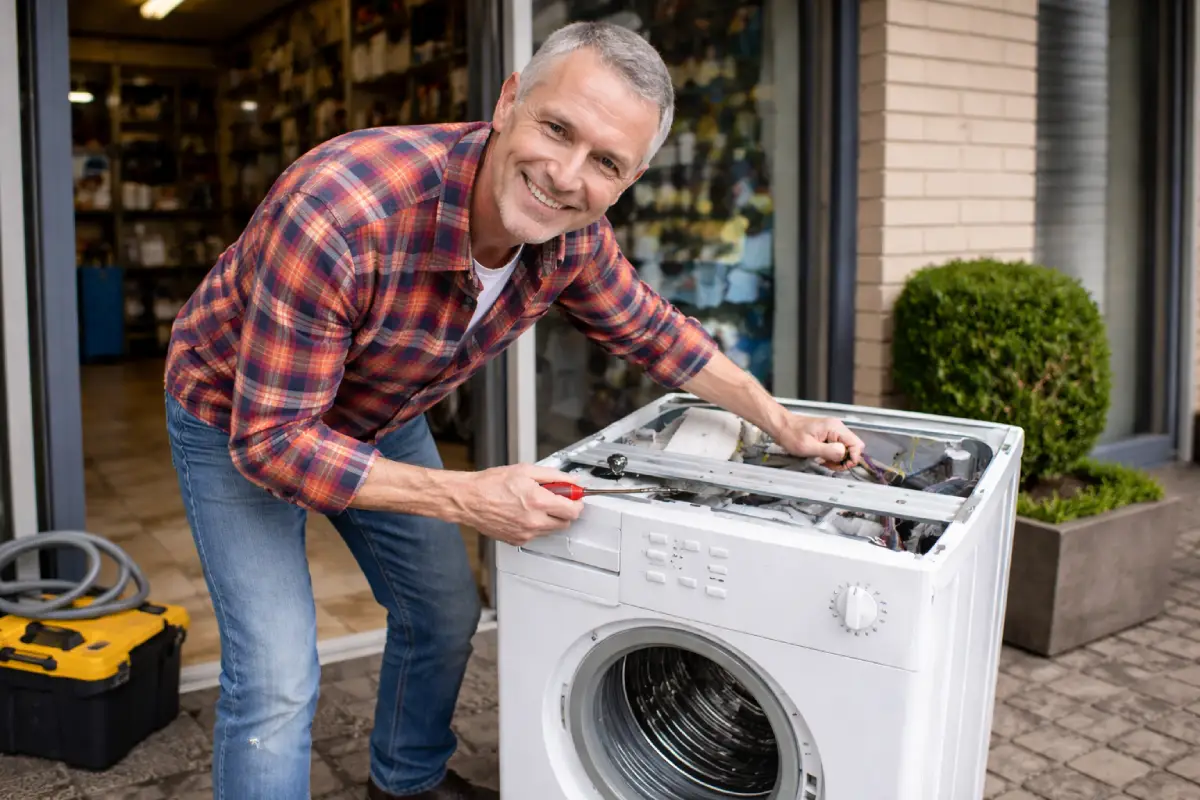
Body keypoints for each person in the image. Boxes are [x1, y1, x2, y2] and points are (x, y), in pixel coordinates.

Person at [163, 20, 865, 800]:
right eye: (556, 129)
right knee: (277, 673)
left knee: (443, 611)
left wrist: (780, 421)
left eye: (605, 162)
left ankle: (407, 783)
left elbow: (656, 333)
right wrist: (469, 496)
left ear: (627, 181)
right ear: (507, 102)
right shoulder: (340, 209)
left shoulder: (573, 238)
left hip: (378, 406)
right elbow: (274, 443)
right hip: (238, 412)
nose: (567, 176)